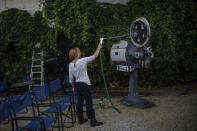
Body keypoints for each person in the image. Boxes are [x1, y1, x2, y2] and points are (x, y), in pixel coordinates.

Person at [68, 39, 104, 127]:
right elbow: (95, 56)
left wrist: (73, 87)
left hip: (78, 85)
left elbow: (71, 79)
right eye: (79, 51)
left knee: (79, 102)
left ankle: (81, 119)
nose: (80, 52)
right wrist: (99, 46)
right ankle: (93, 122)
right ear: (76, 54)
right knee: (89, 103)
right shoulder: (83, 60)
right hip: (85, 85)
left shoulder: (70, 64)